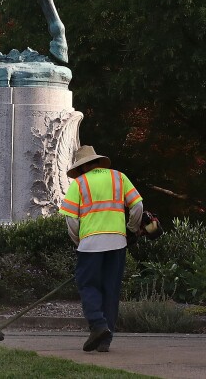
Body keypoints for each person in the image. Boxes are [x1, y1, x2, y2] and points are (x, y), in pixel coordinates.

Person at [59, 145, 143, 353]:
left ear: (81, 167)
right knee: (110, 290)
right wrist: (131, 229)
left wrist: (79, 242)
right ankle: (105, 340)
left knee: (88, 285)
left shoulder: (79, 183)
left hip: (90, 244)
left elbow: (71, 219)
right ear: (97, 162)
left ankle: (98, 325)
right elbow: (138, 206)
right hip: (117, 243)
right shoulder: (119, 178)